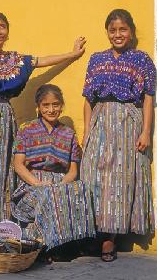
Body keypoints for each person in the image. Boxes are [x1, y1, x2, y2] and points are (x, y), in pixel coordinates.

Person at [0, 11, 86, 230]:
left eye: (2, 26)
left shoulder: (14, 60)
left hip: (5, 117)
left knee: (3, 171)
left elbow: (42, 61)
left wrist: (72, 55)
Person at [80, 9, 157, 262]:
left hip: (127, 122)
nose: (118, 34)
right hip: (100, 120)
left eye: (123, 29)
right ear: (107, 32)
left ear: (131, 32)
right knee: (93, 177)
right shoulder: (96, 59)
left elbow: (147, 99)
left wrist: (146, 131)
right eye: (113, 30)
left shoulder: (141, 60)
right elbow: (88, 100)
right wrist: (86, 131)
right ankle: (94, 233)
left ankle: (109, 240)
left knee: (119, 183)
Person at [11, 84, 96, 256]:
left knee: (82, 189)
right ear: (38, 106)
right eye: (46, 105)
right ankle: (45, 246)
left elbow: (72, 171)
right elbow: (18, 165)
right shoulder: (26, 130)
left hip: (60, 182)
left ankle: (71, 243)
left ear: (61, 105)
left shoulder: (69, 134)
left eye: (55, 104)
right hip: (31, 184)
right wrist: (39, 183)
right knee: (47, 195)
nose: (51, 109)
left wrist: (60, 185)